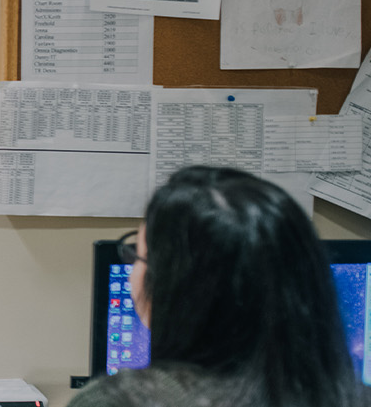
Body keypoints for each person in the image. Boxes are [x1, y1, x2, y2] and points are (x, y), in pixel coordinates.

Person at [70, 166, 371, 407]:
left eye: (139, 255)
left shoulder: (120, 401)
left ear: (182, 287)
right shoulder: (356, 398)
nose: (134, 273)